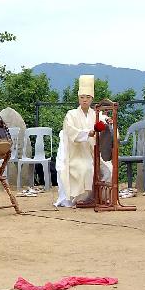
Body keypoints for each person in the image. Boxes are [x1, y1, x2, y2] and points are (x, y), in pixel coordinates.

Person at [54, 75, 110, 207]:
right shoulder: (71, 114)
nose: (85, 100)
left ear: (92, 99)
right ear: (78, 98)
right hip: (76, 154)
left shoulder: (96, 114)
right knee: (85, 168)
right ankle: (82, 199)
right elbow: (71, 131)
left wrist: (108, 122)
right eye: (82, 97)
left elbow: (103, 123)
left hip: (93, 153)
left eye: (88, 97)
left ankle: (102, 197)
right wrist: (87, 133)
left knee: (109, 169)